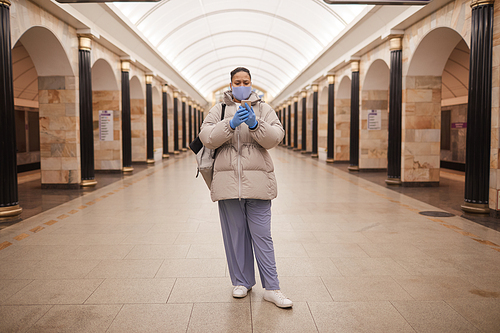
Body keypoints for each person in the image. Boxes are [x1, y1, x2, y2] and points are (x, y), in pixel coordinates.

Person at [199, 67, 292, 308]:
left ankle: (272, 288)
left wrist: (254, 124)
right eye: (237, 82)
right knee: (235, 235)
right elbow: (206, 137)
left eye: (246, 81)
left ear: (252, 83)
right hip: (228, 184)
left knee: (263, 236)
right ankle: (241, 281)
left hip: (259, 183)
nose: (242, 85)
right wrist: (229, 124)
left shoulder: (264, 109)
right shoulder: (217, 110)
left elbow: (275, 138)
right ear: (230, 85)